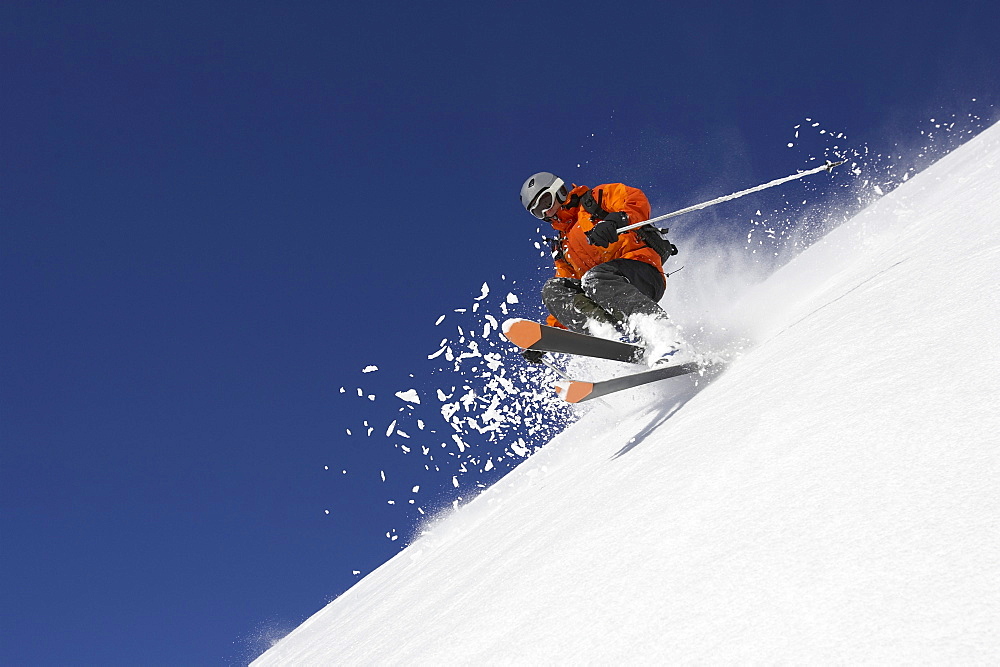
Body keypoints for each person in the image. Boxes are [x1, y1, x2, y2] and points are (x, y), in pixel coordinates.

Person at [519, 171, 682, 364]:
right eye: (538, 212)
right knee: (553, 290)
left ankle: (663, 335)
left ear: (559, 191)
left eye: (546, 202)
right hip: (604, 293)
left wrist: (615, 221)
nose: (546, 212)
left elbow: (635, 199)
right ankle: (611, 334)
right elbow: (568, 293)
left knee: (593, 278)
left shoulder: (593, 201)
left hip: (641, 274)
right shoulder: (563, 245)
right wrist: (548, 338)